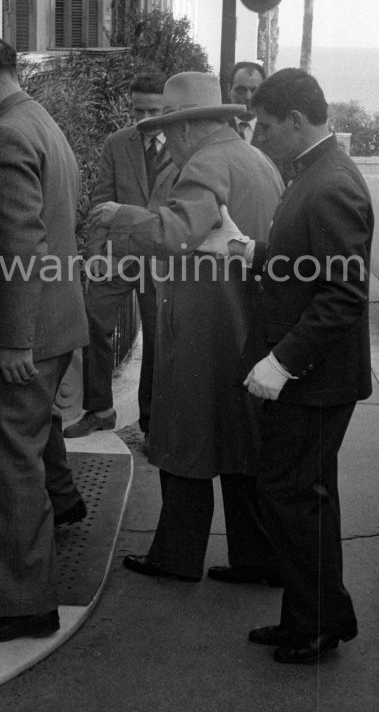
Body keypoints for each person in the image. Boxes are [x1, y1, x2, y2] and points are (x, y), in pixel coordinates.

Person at [205, 68, 373, 664]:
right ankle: (309, 615)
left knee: (296, 498)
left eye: (268, 127)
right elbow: (308, 263)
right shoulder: (315, 172)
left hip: (314, 383)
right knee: (298, 496)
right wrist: (253, 252)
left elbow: (344, 295)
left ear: (298, 122)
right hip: (311, 381)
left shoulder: (329, 183)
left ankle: (319, 624)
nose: (260, 139)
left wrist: (281, 362)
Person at [88, 71, 284, 582]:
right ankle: (255, 557)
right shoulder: (255, 159)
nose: (164, 140)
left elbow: (173, 233)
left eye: (169, 130)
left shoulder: (206, 164)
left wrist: (118, 216)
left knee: (183, 440)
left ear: (191, 128)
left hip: (203, 325)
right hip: (246, 325)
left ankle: (176, 556)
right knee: (241, 448)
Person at [0, 33, 89, 643]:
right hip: (54, 320)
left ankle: (22, 607)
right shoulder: (38, 121)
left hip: (24, 330)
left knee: (8, 466)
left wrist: (14, 341)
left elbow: (22, 247)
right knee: (28, 449)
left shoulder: (5, 134)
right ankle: (60, 515)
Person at [63, 73, 177, 446]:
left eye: (154, 110)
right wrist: (94, 256)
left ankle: (153, 424)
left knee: (160, 339)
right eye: (138, 109)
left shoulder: (184, 145)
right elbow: (101, 201)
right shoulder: (117, 143)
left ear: (167, 109)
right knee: (93, 321)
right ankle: (100, 411)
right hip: (118, 254)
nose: (145, 118)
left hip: (162, 256)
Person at [227, 61, 266, 144]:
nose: (248, 97)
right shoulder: (219, 128)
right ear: (229, 91)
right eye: (241, 91)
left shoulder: (271, 131)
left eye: (255, 91)